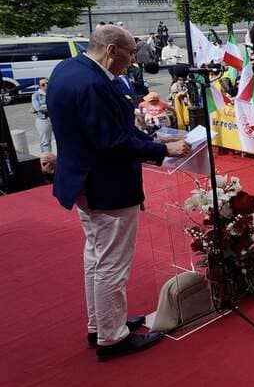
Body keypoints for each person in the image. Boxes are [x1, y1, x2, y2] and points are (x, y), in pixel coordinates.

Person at [47, 25, 190, 360]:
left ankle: (101, 325)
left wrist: (151, 141)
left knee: (96, 257)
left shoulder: (69, 69)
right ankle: (113, 338)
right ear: (111, 50)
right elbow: (111, 142)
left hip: (84, 179)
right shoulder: (95, 84)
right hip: (106, 184)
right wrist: (162, 150)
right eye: (129, 53)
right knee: (112, 263)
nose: (132, 62)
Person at [32, 78, 52, 153]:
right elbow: (37, 108)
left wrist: (45, 106)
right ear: (39, 86)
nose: (46, 85)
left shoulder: (53, 93)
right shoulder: (35, 95)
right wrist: (51, 107)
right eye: (43, 84)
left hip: (55, 118)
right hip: (43, 120)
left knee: (61, 139)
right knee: (45, 142)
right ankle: (48, 161)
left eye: (47, 83)